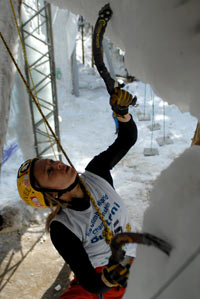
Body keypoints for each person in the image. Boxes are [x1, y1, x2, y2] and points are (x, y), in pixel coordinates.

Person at [17, 87, 138, 299]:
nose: (57, 165)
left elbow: (126, 140)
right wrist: (112, 275)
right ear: (50, 195)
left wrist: (122, 113)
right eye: (49, 171)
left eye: (52, 161)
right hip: (103, 277)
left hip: (134, 262)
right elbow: (91, 283)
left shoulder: (96, 172)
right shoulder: (62, 228)